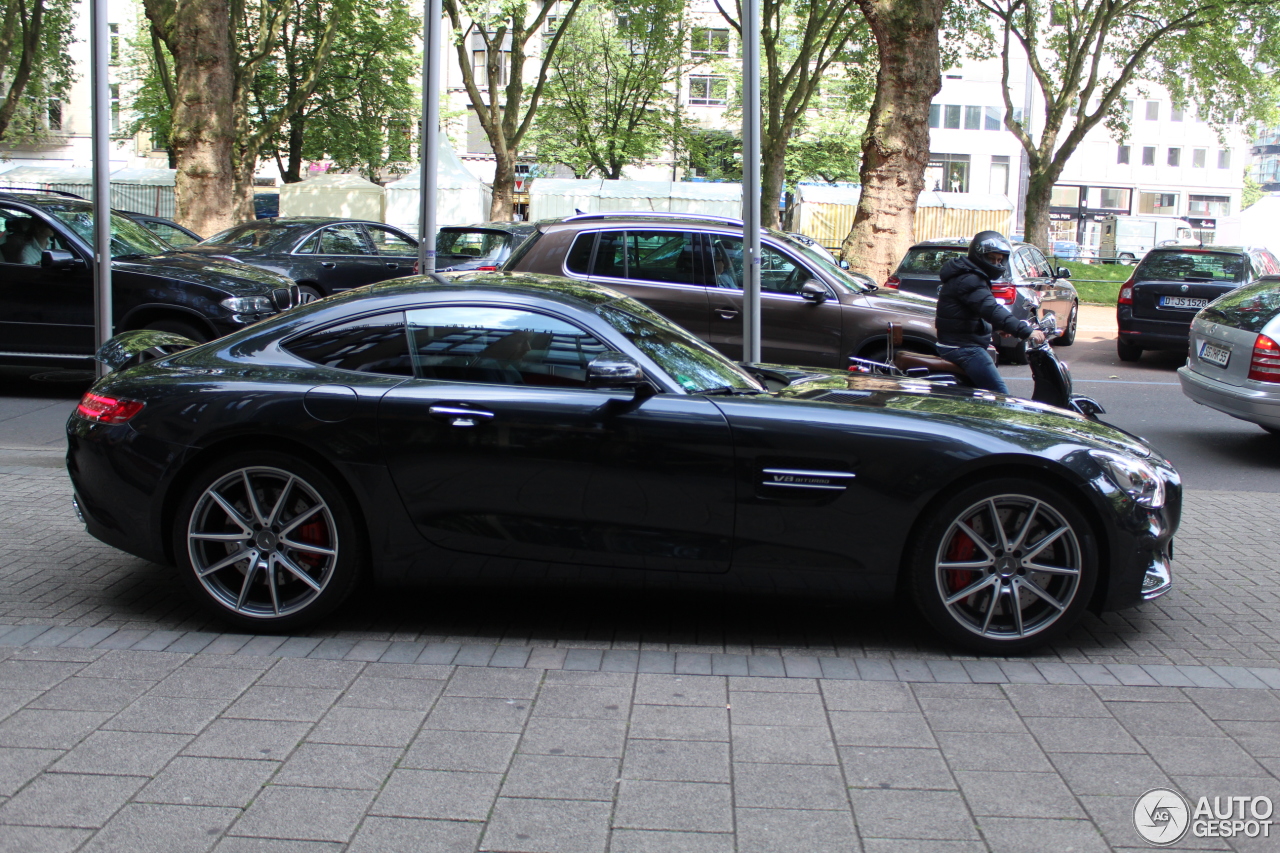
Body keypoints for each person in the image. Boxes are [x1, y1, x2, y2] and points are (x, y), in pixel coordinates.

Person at [935, 230, 1046, 395]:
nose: (995, 264)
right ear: (979, 256)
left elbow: (968, 314)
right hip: (963, 348)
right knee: (1000, 395)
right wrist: (1026, 331)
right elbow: (991, 309)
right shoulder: (970, 279)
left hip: (959, 342)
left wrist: (997, 328)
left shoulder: (967, 274)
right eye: (991, 258)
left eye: (999, 260)